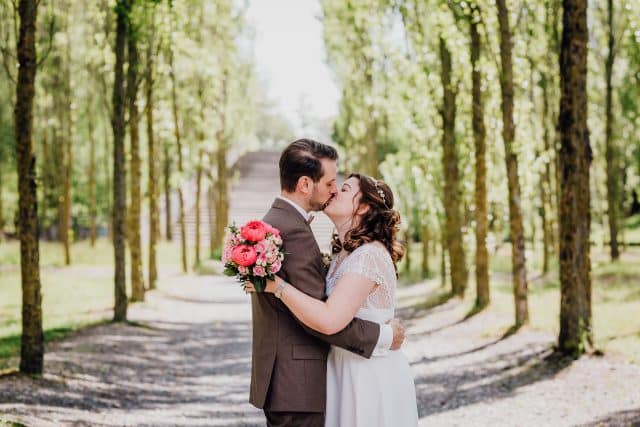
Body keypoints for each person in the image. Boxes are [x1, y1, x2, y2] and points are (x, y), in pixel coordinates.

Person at [248, 139, 407, 427]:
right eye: (333, 183)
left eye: (342, 187)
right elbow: (325, 318)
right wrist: (384, 336)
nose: (334, 190)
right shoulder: (299, 235)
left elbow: (327, 315)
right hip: (313, 378)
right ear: (306, 184)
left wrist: (278, 287)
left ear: (363, 208)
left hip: (362, 375)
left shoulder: (365, 255)